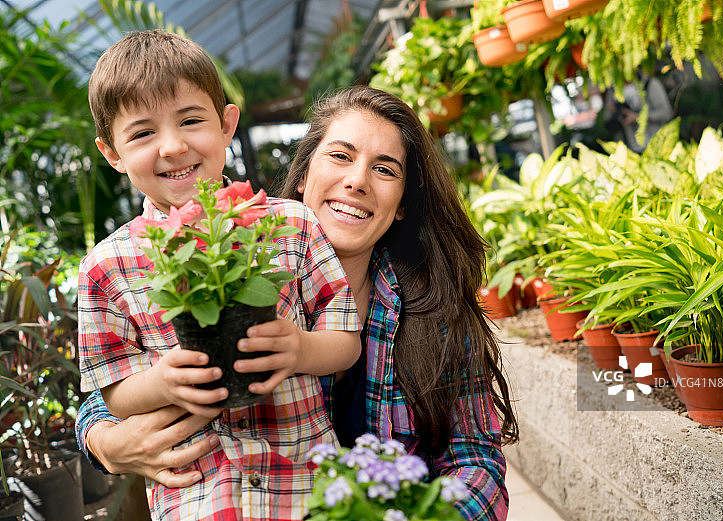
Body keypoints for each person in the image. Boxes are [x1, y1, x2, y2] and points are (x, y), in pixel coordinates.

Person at [76, 85, 519, 521]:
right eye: (340, 156)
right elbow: (112, 389)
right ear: (304, 174)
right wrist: (102, 441)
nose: (357, 181)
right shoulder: (241, 272)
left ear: (402, 203)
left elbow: (475, 461)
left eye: (385, 170)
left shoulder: (434, 311)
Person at [78, 30, 361, 520]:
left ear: (227, 124)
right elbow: (113, 393)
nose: (173, 146)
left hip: (308, 485)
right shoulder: (106, 266)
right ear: (112, 154)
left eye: (191, 120)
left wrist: (299, 348)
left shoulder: (290, 223)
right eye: (142, 133)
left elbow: (346, 341)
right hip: (200, 494)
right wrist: (162, 384)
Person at [603, 74, 673, 153]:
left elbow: (666, 113)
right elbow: (608, 120)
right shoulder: (613, 89)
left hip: (654, 146)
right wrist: (616, 112)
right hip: (629, 149)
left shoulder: (649, 84)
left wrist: (639, 117)